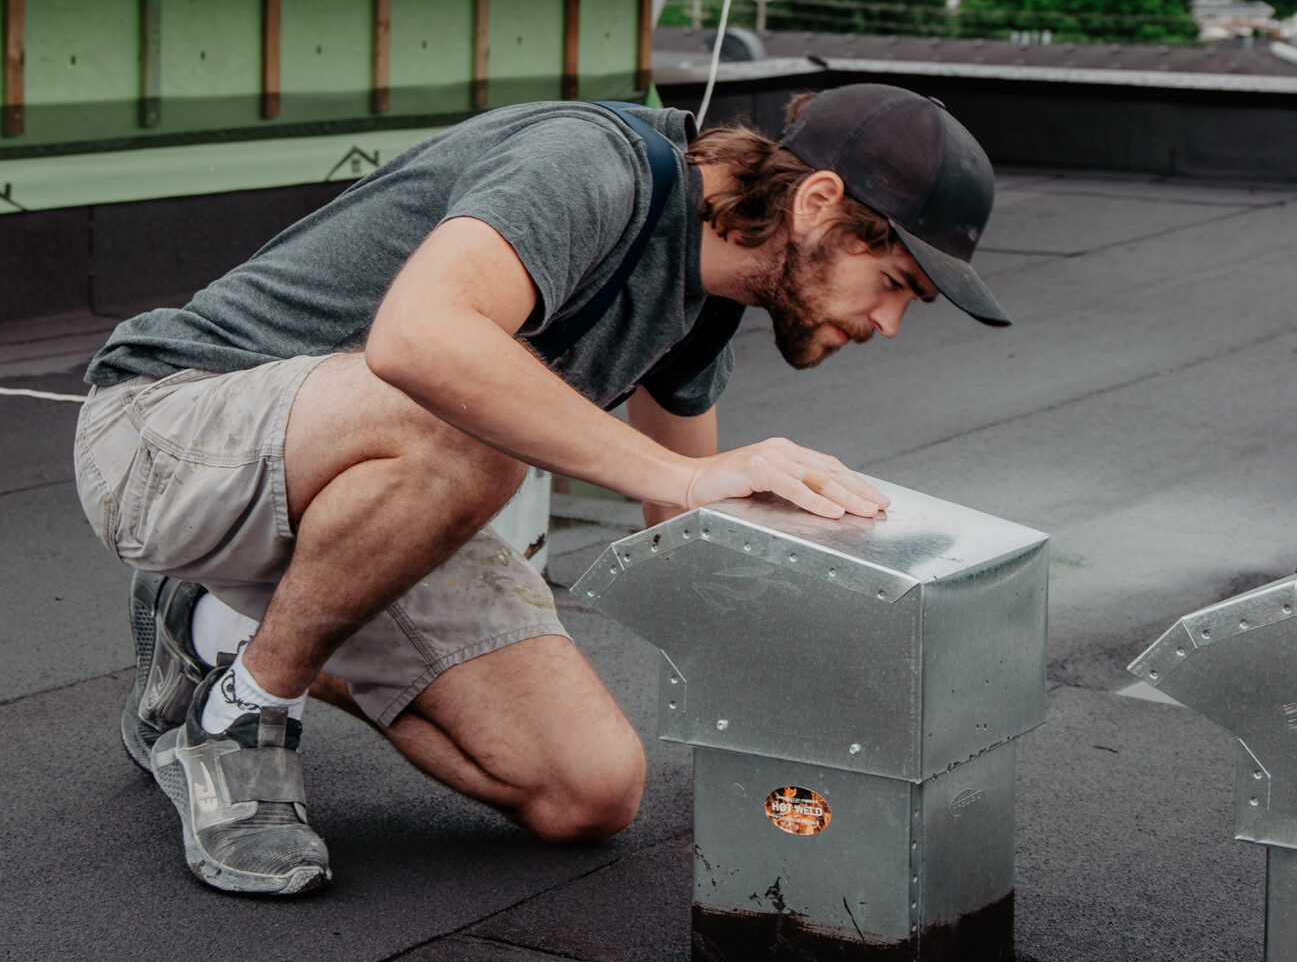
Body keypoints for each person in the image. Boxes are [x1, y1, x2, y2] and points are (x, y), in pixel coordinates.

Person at [73, 82, 1010, 898]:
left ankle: (216, 632)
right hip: (163, 438)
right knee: (472, 415)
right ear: (816, 203)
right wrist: (686, 471)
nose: (888, 322)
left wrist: (830, 714)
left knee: (589, 791)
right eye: (891, 280)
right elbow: (419, 344)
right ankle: (241, 720)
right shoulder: (592, 162)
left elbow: (685, 525)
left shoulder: (708, 302)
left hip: (366, 496)